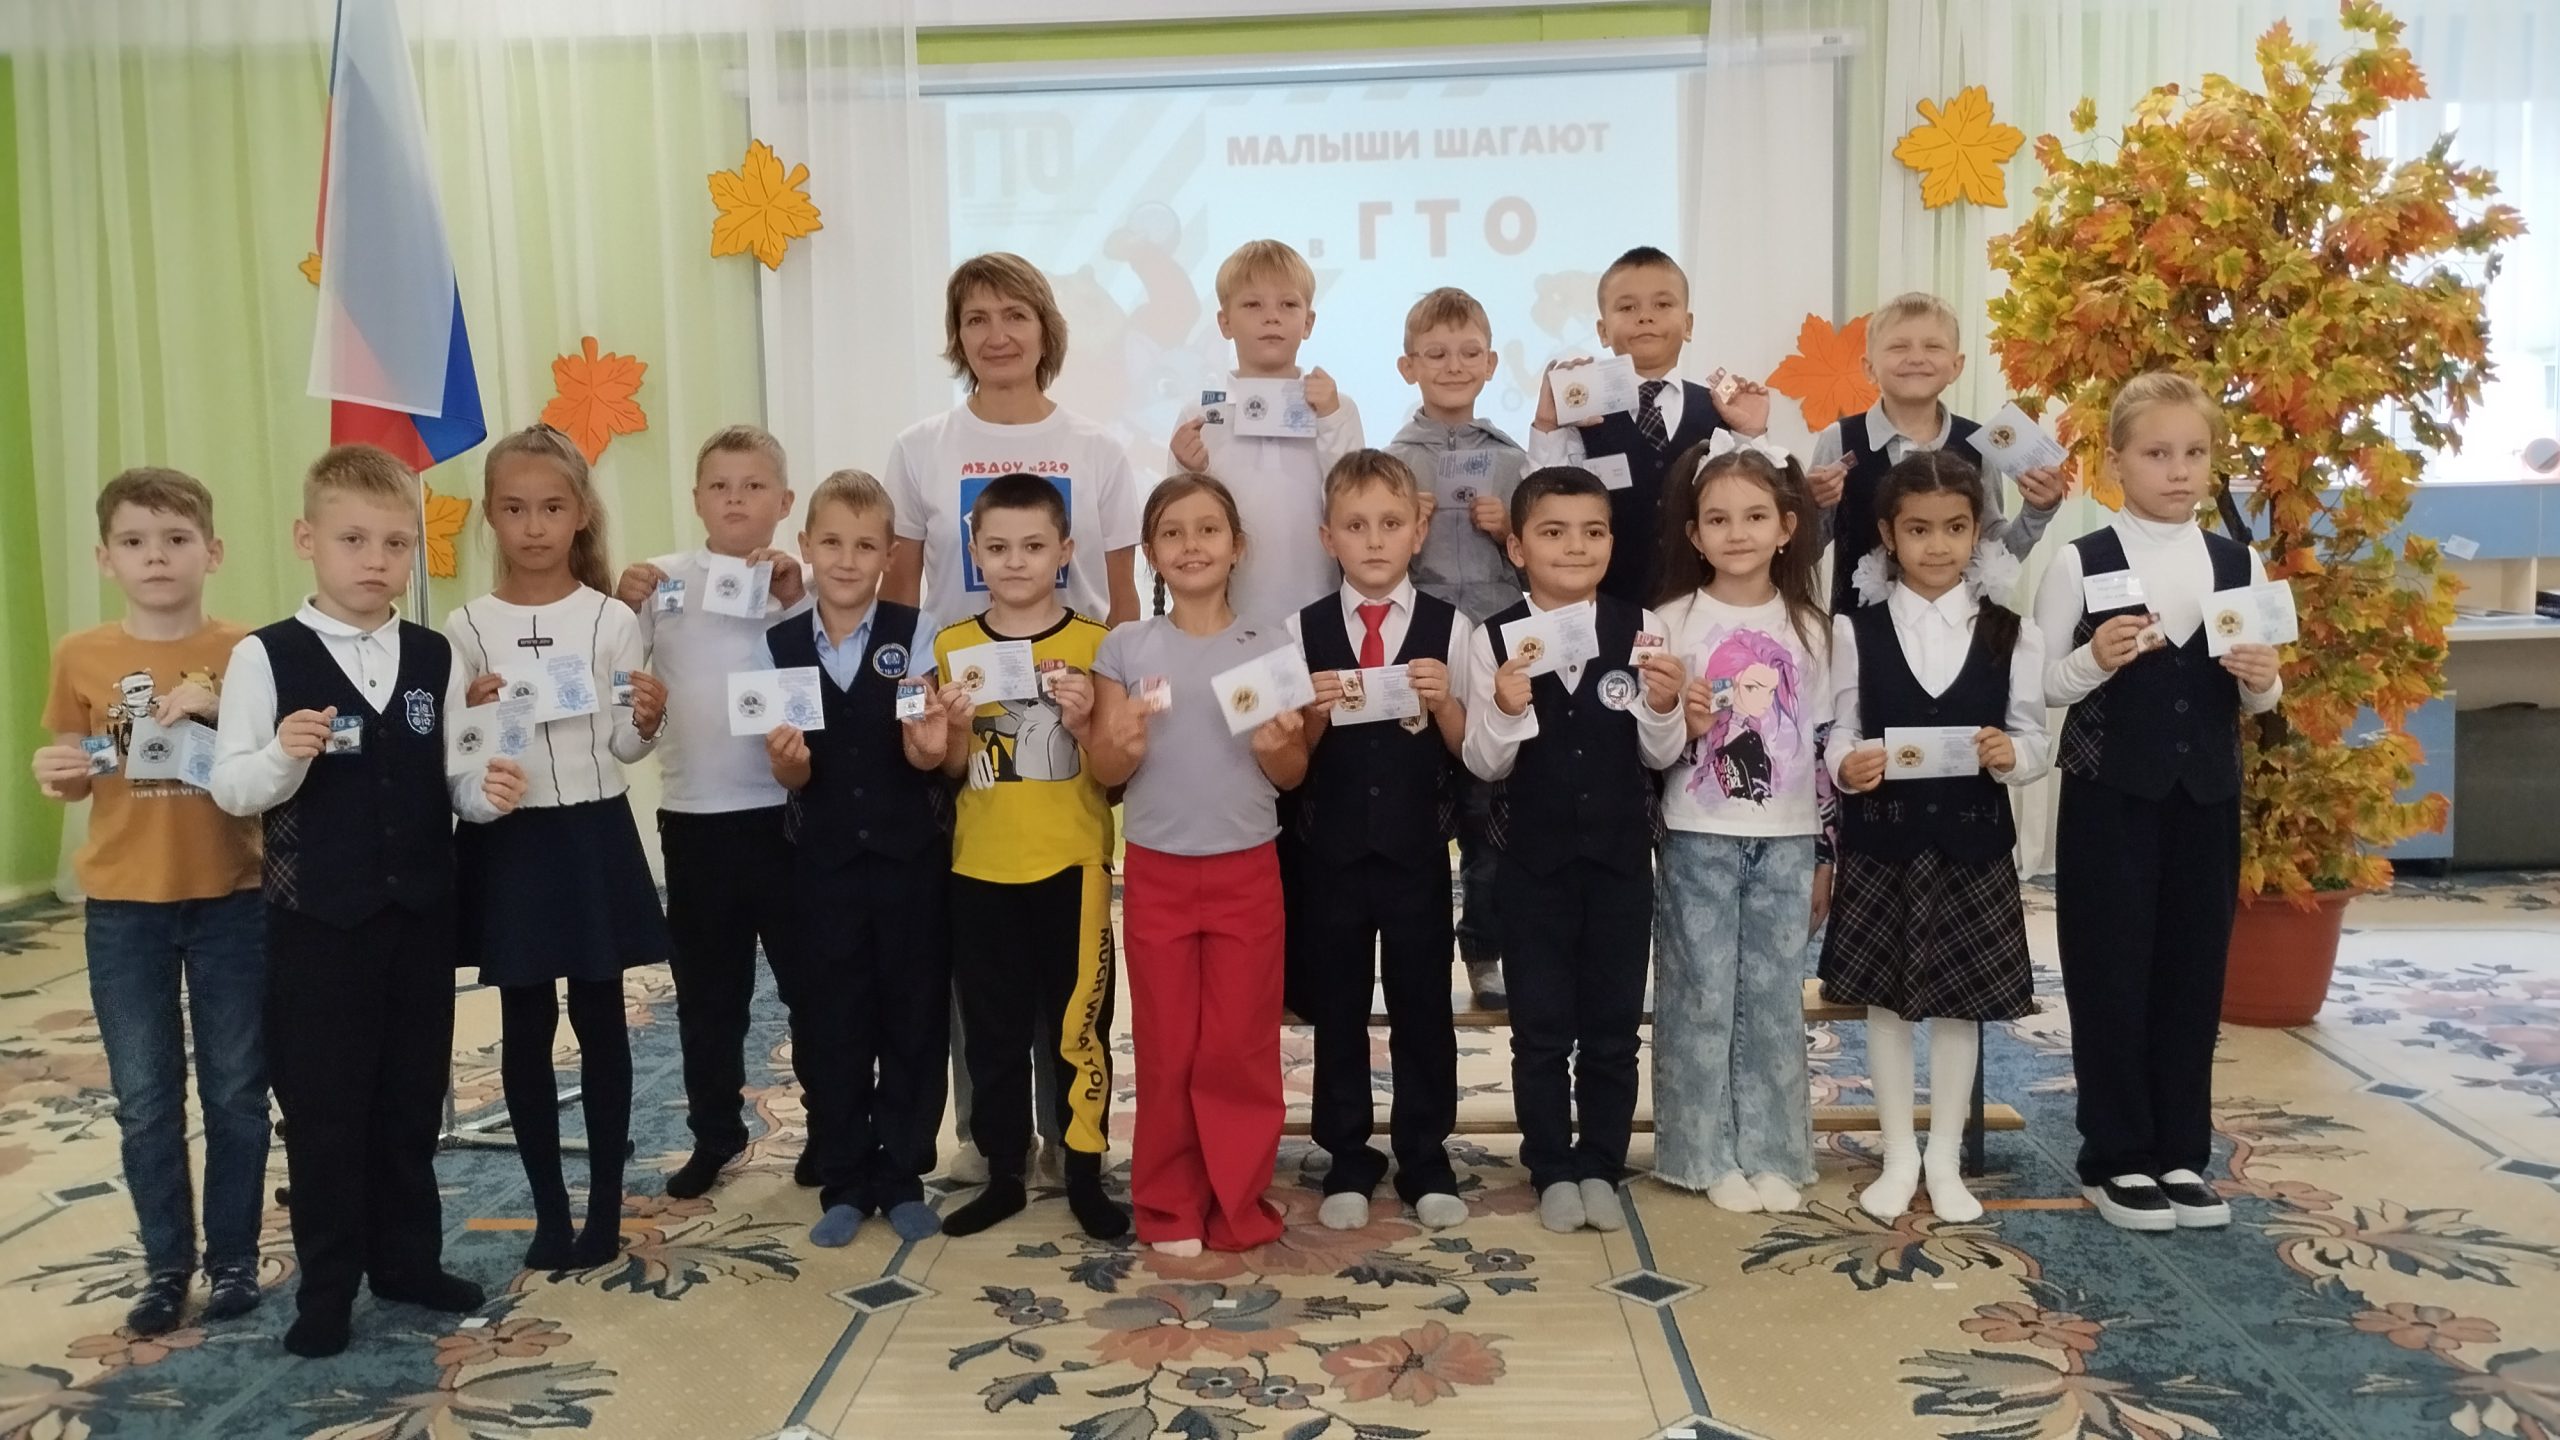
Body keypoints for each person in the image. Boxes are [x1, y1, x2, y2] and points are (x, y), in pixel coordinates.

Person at [209, 444, 524, 1358]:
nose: (376, 560)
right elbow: (232, 787)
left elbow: (451, 776)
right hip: (317, 923)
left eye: (395, 542)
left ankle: (407, 1262)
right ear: (307, 539)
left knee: (411, 1097)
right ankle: (328, 1288)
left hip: (419, 918)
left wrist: (484, 795)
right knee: (325, 1111)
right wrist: (284, 755)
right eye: (353, 539)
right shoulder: (265, 656)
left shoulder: (431, 654)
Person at [884, 252, 1142, 1184]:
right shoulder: (920, 447)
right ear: (957, 336)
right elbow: (900, 601)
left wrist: (1116, 707)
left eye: (1014, 316)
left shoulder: (1098, 449)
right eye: (976, 318)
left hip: (1070, 724)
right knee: (981, 946)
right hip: (964, 724)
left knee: (1066, 954)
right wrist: (917, 713)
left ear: (1045, 330)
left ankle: (1071, 1139)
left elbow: (1123, 602)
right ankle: (990, 1139)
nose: (996, 335)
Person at [2031, 371, 2282, 1232]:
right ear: (2116, 463)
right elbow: (2042, 686)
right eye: (2157, 453)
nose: (2178, 470)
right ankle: (2115, 1154)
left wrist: (2263, 678)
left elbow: (2260, 695)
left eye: (2195, 453)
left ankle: (2181, 1151)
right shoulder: (2082, 560)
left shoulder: (2237, 562)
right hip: (2111, 796)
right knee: (2110, 970)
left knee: (2191, 970)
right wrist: (2092, 660)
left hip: (2206, 797)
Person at [33, 468, 268, 1336]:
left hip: (234, 897)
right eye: (134, 542)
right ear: (107, 558)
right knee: (145, 1097)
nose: (156, 557)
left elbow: (276, 763)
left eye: (175, 539)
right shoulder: (79, 654)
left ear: (213, 551)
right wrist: (57, 772)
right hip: (124, 908)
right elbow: (77, 767)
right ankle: (166, 1266)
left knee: (238, 1090)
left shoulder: (250, 652)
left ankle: (234, 1259)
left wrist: (222, 707)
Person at [446, 424, 669, 1270]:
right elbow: (458, 755)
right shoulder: (467, 626)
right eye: (514, 509)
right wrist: (473, 717)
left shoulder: (610, 619)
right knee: (525, 1021)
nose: (533, 526)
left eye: (550, 507)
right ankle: (548, 1211)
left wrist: (648, 720)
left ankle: (604, 1210)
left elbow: (624, 746)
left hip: (591, 831)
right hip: (511, 841)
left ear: (581, 514)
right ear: (489, 517)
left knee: (602, 1018)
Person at [1819, 451, 2049, 1223]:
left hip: (1973, 844)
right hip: (1883, 844)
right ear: (1889, 534)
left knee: (1960, 1007)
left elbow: (2034, 740)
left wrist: (2010, 755)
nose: (1938, 545)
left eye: (1955, 528)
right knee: (1886, 1008)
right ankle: (1898, 1154)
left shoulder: (2013, 634)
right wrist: (1847, 765)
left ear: (1978, 532)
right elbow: (1840, 729)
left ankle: (1945, 1158)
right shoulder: (1854, 631)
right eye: (1918, 529)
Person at [1088, 474, 1310, 1256]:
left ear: (1237, 547)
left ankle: (1237, 1200)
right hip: (1157, 873)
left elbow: (1292, 773)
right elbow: (1106, 772)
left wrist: (1281, 748)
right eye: (1172, 532)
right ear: (1151, 553)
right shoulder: (1125, 648)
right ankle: (1169, 1205)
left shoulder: (1272, 645)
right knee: (1166, 1044)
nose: (1191, 545)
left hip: (1247, 870)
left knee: (1239, 1047)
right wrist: (1121, 743)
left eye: (1208, 529)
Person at [1461, 466, 1687, 1234]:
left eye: (1593, 531)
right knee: (1541, 1030)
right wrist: (1503, 708)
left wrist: (1663, 707)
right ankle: (1552, 1166)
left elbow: (1660, 755)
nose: (1575, 546)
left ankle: (1601, 1163)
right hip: (1532, 865)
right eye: (1553, 532)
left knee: (1615, 1030)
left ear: (1612, 542)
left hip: (1621, 861)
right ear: (1517, 547)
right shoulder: (1491, 639)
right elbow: (1483, 763)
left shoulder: (1641, 626)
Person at [612, 426, 814, 1199]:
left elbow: (827, 673)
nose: (736, 499)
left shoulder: (801, 584)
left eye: (754, 486)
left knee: (810, 987)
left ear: (784, 502)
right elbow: (621, 691)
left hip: (787, 817)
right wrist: (620, 603)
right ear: (696, 498)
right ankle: (715, 1134)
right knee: (707, 998)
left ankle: (830, 1127)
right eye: (720, 486)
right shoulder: (660, 581)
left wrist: (796, 600)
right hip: (695, 820)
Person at [761, 470, 961, 1246]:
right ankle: (845, 1177)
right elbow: (791, 773)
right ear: (806, 545)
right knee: (833, 1020)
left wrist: (928, 749)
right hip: (823, 866)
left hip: (911, 860)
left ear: (888, 555)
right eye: (832, 543)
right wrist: (788, 768)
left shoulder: (917, 635)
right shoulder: (779, 645)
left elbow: (928, 756)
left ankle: (902, 1172)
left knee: (913, 1016)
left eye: (866, 546)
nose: (847, 560)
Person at [930, 472, 1130, 1241]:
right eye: (999, 547)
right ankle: (1004, 1173)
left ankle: (1082, 1171)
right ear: (975, 552)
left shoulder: (1098, 645)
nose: (1016, 562)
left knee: (1080, 1028)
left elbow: (1114, 770)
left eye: (1034, 546)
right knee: (992, 1033)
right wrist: (951, 730)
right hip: (980, 869)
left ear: (1065, 551)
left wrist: (1084, 724)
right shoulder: (953, 645)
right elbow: (953, 770)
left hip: (1073, 865)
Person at [1646, 435, 1834, 1215]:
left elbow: (1823, 748)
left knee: (1773, 997)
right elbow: (1650, 742)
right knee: (1700, 996)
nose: (1737, 533)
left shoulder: (1813, 628)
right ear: (1694, 534)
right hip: (1696, 832)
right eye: (1718, 519)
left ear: (1787, 527)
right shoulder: (1669, 622)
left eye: (1756, 516)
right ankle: (1701, 1154)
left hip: (1789, 839)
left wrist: (1826, 853)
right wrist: (1680, 721)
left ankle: (1774, 1152)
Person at [1287, 451, 1469, 1233]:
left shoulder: (1450, 628)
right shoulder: (1301, 630)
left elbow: (1471, 749)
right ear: (1327, 537)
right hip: (1329, 855)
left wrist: (1447, 702)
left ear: (1418, 531)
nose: (1373, 540)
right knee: (1338, 1010)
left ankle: (1425, 1155)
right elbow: (1289, 760)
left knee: (1423, 1005)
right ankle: (1347, 1156)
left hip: (1415, 853)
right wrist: (1311, 716)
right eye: (1355, 526)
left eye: (1390, 524)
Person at [1384, 286, 1526, 1011]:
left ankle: (1486, 949)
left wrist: (1509, 531)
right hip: (1421, 645)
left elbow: (1543, 560)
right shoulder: (1390, 461)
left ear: (1491, 363)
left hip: (1496, 647)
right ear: (1408, 366)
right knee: (1413, 806)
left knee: (1489, 811)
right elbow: (1370, 559)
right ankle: (1412, 954)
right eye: (1435, 353)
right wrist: (1404, 529)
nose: (1453, 365)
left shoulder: (1512, 459)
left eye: (1469, 352)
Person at [1526, 245, 1772, 605]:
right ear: (1602, 331)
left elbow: (1753, 506)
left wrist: (1750, 434)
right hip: (1608, 608)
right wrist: (1548, 425)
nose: (1645, 317)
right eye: (1627, 308)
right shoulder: (1580, 415)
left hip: (1706, 606)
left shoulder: (1721, 411)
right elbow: (1544, 505)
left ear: (1688, 325)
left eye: (1663, 304)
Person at [1803, 291, 2069, 614]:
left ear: (1956, 366)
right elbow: (1804, 553)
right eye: (1899, 347)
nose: (1916, 358)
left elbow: (1993, 556)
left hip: (1959, 632)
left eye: (1933, 346)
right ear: (1869, 368)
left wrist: (2036, 513)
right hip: (1859, 633)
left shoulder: (1976, 444)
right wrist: (1811, 506)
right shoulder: (1840, 439)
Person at [1167, 239, 1365, 624]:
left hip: (1321, 612)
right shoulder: (1200, 415)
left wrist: (1329, 419)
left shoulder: (1337, 408)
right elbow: (1177, 521)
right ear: (1225, 322)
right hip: (1226, 617)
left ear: (1308, 322)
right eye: (1252, 305)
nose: (1271, 317)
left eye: (1288, 304)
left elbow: (1355, 503)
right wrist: (1190, 471)